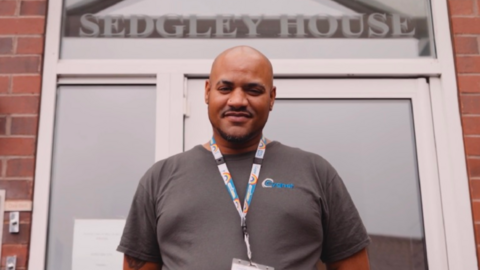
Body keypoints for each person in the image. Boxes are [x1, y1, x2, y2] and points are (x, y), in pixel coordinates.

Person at [117, 46, 370, 270]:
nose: (237, 100)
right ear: (207, 92)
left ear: (271, 97)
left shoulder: (316, 172)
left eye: (253, 90)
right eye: (225, 88)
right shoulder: (160, 178)